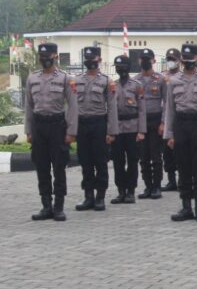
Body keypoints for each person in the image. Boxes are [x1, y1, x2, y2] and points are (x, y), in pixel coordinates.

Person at [163, 43, 197, 222]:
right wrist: (169, 134)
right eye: (184, 59)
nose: (187, 62)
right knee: (183, 166)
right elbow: (169, 109)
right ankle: (186, 206)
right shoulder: (173, 81)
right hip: (181, 123)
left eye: (191, 59)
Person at [24, 42, 80, 221]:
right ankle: (46, 206)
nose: (44, 60)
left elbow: (72, 106)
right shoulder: (32, 78)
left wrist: (71, 131)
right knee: (42, 167)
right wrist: (29, 131)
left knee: (58, 167)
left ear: (55, 56)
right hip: (39, 126)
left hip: (57, 125)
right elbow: (28, 107)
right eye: (41, 57)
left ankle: (59, 207)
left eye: (47, 57)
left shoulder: (65, 78)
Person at [73, 46, 118, 212]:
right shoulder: (76, 80)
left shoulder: (106, 81)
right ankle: (88, 196)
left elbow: (112, 108)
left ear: (99, 60)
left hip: (99, 123)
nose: (90, 62)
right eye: (87, 59)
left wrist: (111, 131)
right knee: (85, 162)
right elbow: (71, 106)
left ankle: (100, 197)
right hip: (82, 124)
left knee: (100, 162)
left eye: (93, 59)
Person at [110, 55, 147, 204]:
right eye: (117, 67)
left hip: (132, 127)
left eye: (123, 66)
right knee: (118, 162)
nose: (120, 69)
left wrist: (141, 131)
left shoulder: (137, 85)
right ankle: (121, 191)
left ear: (128, 67)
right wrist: (109, 131)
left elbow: (142, 110)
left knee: (132, 161)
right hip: (117, 128)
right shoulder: (112, 85)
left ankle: (131, 191)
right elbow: (110, 110)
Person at [135, 48, 166, 200]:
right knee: (143, 156)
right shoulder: (135, 80)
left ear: (154, 60)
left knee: (156, 155)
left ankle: (157, 186)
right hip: (141, 121)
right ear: (139, 61)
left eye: (148, 59)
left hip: (156, 119)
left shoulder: (160, 79)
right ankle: (147, 186)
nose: (145, 61)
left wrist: (163, 122)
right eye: (143, 59)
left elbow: (167, 103)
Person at [161, 48, 181, 192]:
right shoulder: (163, 77)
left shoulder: (182, 76)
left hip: (179, 117)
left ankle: (183, 178)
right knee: (167, 152)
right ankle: (171, 180)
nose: (171, 62)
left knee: (180, 150)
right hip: (166, 117)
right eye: (169, 59)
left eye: (173, 59)